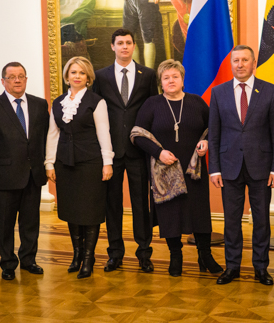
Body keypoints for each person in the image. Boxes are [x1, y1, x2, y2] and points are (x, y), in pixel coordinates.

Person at [133, 59, 221, 277]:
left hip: (194, 171)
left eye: (175, 76)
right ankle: (175, 256)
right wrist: (158, 152)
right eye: (166, 77)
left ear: (182, 79)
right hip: (165, 172)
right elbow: (136, 134)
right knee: (170, 214)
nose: (171, 81)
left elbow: (214, 128)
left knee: (199, 213)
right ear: (161, 82)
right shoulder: (152, 104)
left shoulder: (196, 102)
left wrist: (206, 142)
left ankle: (205, 255)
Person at [208, 45, 274, 286]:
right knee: (231, 221)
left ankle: (261, 268)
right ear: (231, 64)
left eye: (244, 60)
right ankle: (232, 267)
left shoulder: (270, 91)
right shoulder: (218, 92)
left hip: (261, 166)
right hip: (229, 166)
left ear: (253, 63)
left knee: (261, 220)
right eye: (236, 60)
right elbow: (214, 135)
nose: (240, 64)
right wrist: (214, 168)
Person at [92, 28, 157, 273]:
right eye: (120, 43)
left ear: (133, 45)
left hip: (138, 150)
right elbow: (96, 113)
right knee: (113, 205)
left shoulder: (147, 74)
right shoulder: (101, 76)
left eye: (128, 43)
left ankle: (144, 253)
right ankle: (115, 254)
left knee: (141, 204)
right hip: (111, 152)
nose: (125, 47)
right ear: (113, 46)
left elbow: (152, 109)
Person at [0, 62, 49, 281]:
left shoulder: (39, 105)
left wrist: (47, 165)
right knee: (4, 224)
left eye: (21, 76)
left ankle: (29, 260)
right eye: (12, 77)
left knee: (30, 222)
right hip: (3, 177)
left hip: (32, 175)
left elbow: (45, 138)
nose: (17, 80)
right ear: (3, 81)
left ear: (26, 79)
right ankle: (8, 263)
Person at [45, 56, 114, 279]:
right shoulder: (58, 103)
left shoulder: (97, 101)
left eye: (82, 73)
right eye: (73, 72)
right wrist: (49, 163)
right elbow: (53, 135)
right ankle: (77, 255)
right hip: (65, 164)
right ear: (67, 76)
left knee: (90, 212)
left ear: (88, 77)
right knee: (72, 211)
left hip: (91, 163)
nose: (77, 76)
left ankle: (88, 258)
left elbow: (104, 133)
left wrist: (107, 163)